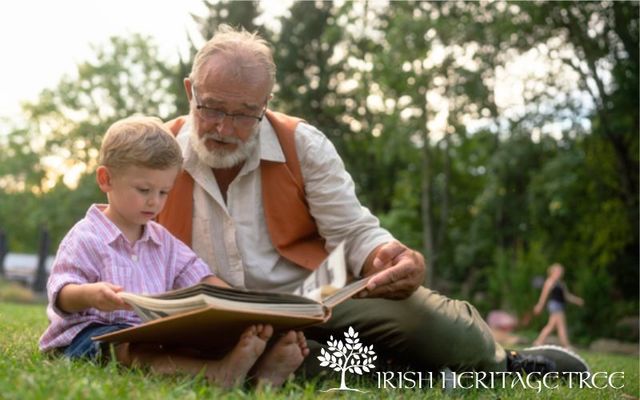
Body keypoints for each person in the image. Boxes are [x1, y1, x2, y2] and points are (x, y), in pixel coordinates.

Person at [157, 24, 589, 378]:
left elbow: (353, 231)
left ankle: (505, 364)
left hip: (315, 298)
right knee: (295, 363)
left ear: (265, 104)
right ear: (189, 90)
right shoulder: (154, 151)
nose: (223, 128)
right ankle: (415, 377)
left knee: (425, 320)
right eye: (211, 108)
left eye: (243, 114)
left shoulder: (302, 144)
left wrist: (387, 256)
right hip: (215, 321)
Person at [39, 116, 309, 388]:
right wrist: (91, 295)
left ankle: (259, 374)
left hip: (150, 335)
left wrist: (240, 308)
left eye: (164, 192)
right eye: (143, 190)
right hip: (91, 336)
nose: (154, 201)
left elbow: (201, 279)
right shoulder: (85, 237)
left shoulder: (162, 240)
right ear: (106, 179)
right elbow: (61, 293)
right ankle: (217, 374)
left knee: (187, 341)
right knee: (124, 346)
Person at [533, 263, 585, 349]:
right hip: (554, 305)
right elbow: (544, 295)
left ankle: (538, 341)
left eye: (561, 271)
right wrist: (539, 305)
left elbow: (567, 296)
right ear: (552, 272)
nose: (560, 272)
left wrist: (577, 300)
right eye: (558, 271)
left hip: (560, 305)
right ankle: (566, 345)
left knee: (551, 326)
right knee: (561, 325)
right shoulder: (550, 281)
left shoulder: (561, 283)